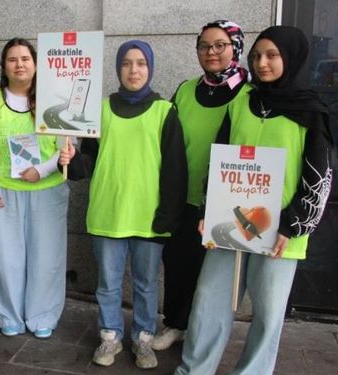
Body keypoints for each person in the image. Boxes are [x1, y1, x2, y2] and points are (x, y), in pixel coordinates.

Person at [174, 25, 334, 375]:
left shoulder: (310, 112)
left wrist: (292, 226)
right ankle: (193, 370)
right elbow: (220, 158)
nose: (262, 63)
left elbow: (318, 179)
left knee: (268, 313)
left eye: (272, 55)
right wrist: (208, 209)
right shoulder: (243, 102)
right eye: (257, 55)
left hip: (281, 232)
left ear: (291, 59)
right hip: (230, 222)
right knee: (208, 302)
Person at [63, 40, 187, 369]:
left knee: (146, 284)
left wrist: (168, 216)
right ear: (118, 68)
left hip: (149, 217)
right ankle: (110, 337)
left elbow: (176, 169)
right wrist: (72, 158)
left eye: (141, 63)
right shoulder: (99, 109)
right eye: (127, 63)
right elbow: (86, 161)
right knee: (108, 282)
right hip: (108, 212)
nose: (134, 70)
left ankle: (143, 339)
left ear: (150, 68)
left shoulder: (165, 111)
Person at [153, 20, 250, 351]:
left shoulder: (249, 93)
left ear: (236, 47)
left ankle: (204, 333)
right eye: (204, 46)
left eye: (220, 45)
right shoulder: (185, 89)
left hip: (226, 203)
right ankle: (176, 324)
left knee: (214, 277)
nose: (211, 52)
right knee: (178, 264)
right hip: (183, 196)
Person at [0, 38, 72, 340]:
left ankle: (42, 314)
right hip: (2, 191)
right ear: (4, 67)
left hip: (47, 190)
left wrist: (43, 170)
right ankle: (9, 314)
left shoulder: (53, 98)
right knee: (6, 258)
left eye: (25, 59)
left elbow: (68, 145)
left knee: (46, 257)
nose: (19, 64)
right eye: (12, 59)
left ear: (35, 64)